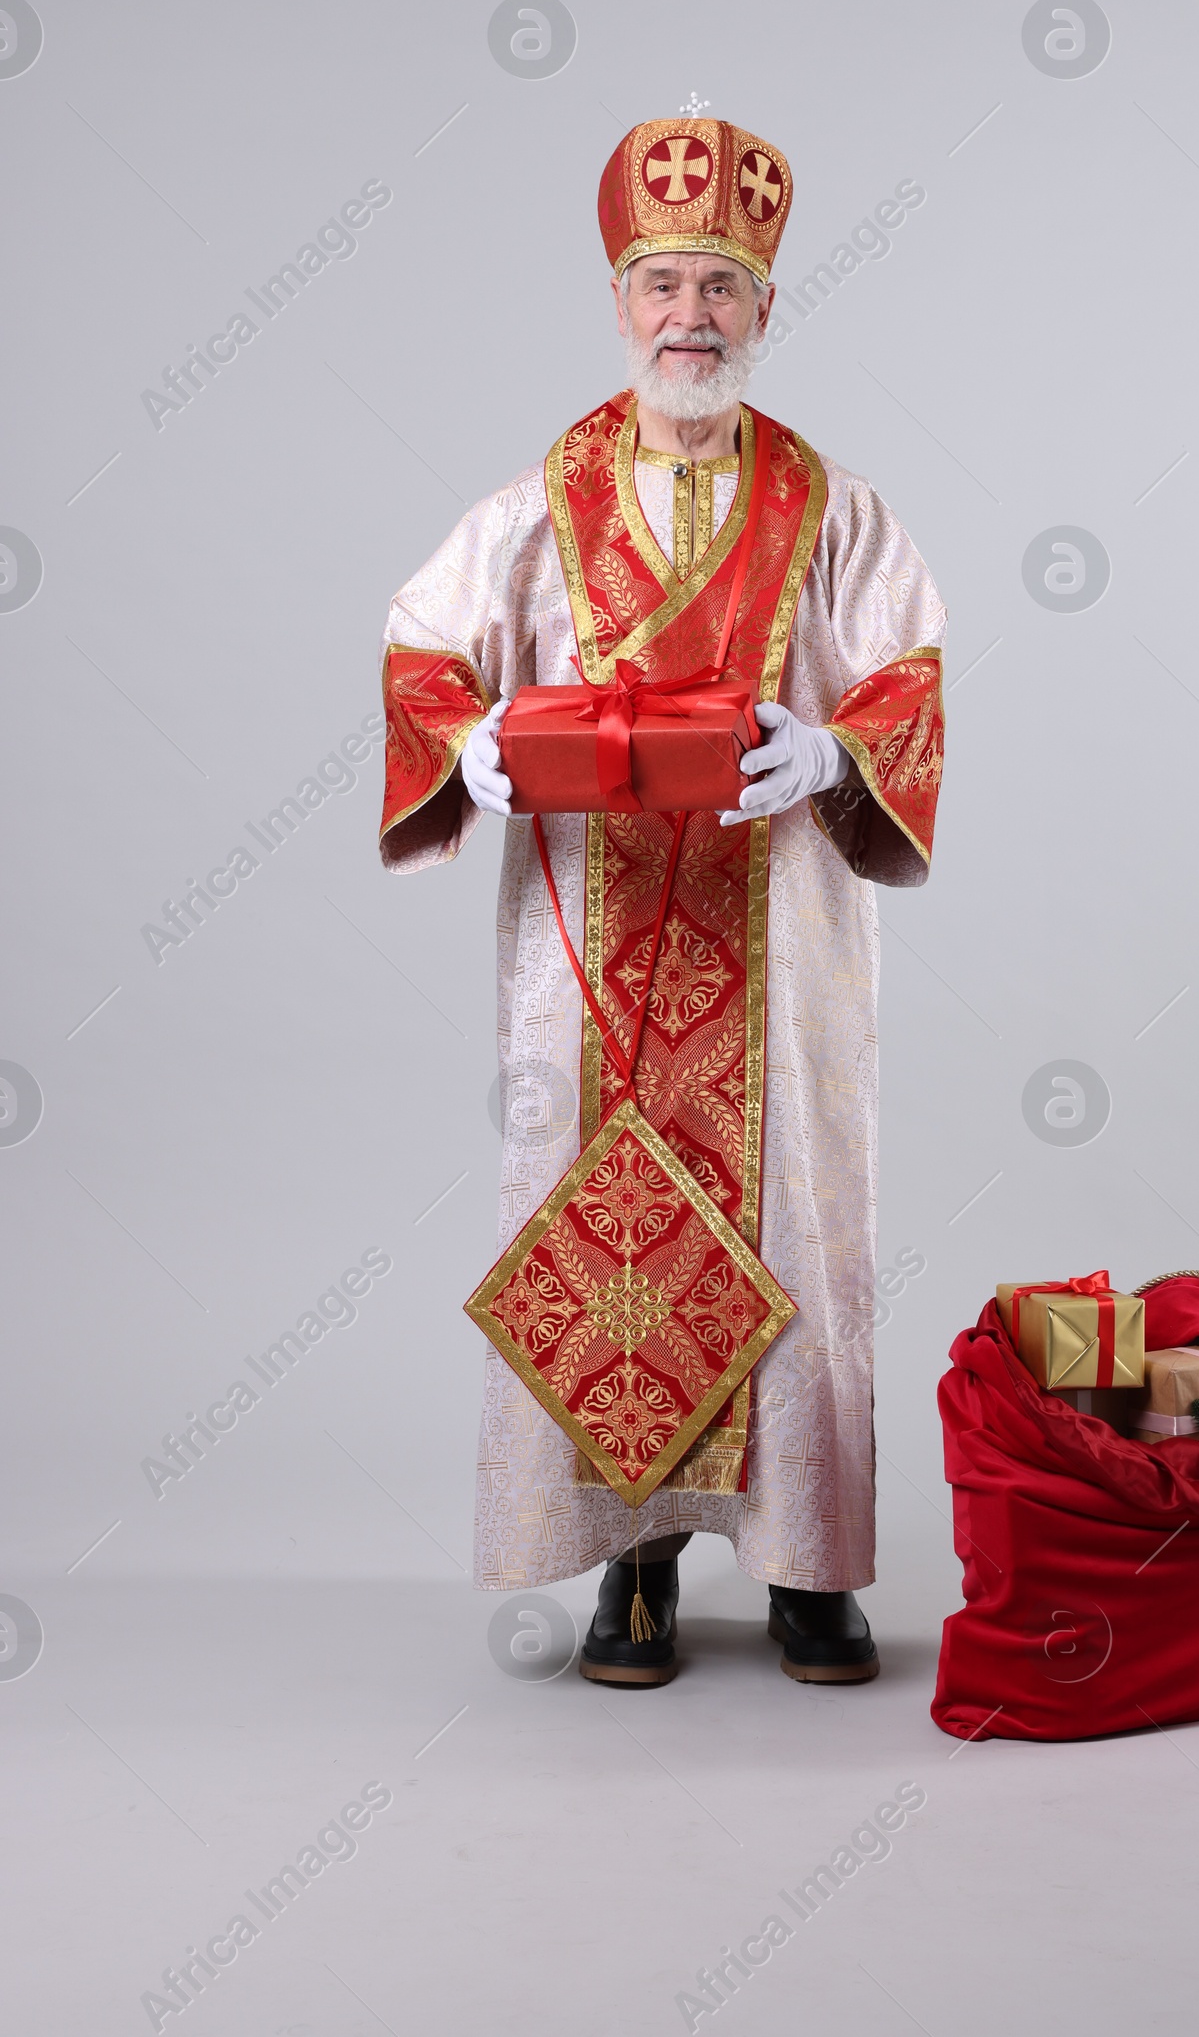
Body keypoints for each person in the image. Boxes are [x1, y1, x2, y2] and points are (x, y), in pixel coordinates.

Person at [379, 117, 944, 1686]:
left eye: (721, 284)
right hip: (593, 920)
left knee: (801, 1217)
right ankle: (632, 1560)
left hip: (786, 929)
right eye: (662, 281)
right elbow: (427, 650)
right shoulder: (540, 500)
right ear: (620, 301)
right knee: (603, 1204)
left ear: (766, 308)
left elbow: (908, 677)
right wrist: (470, 740)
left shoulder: (830, 506)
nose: (690, 312)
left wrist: (838, 747)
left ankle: (808, 1566)